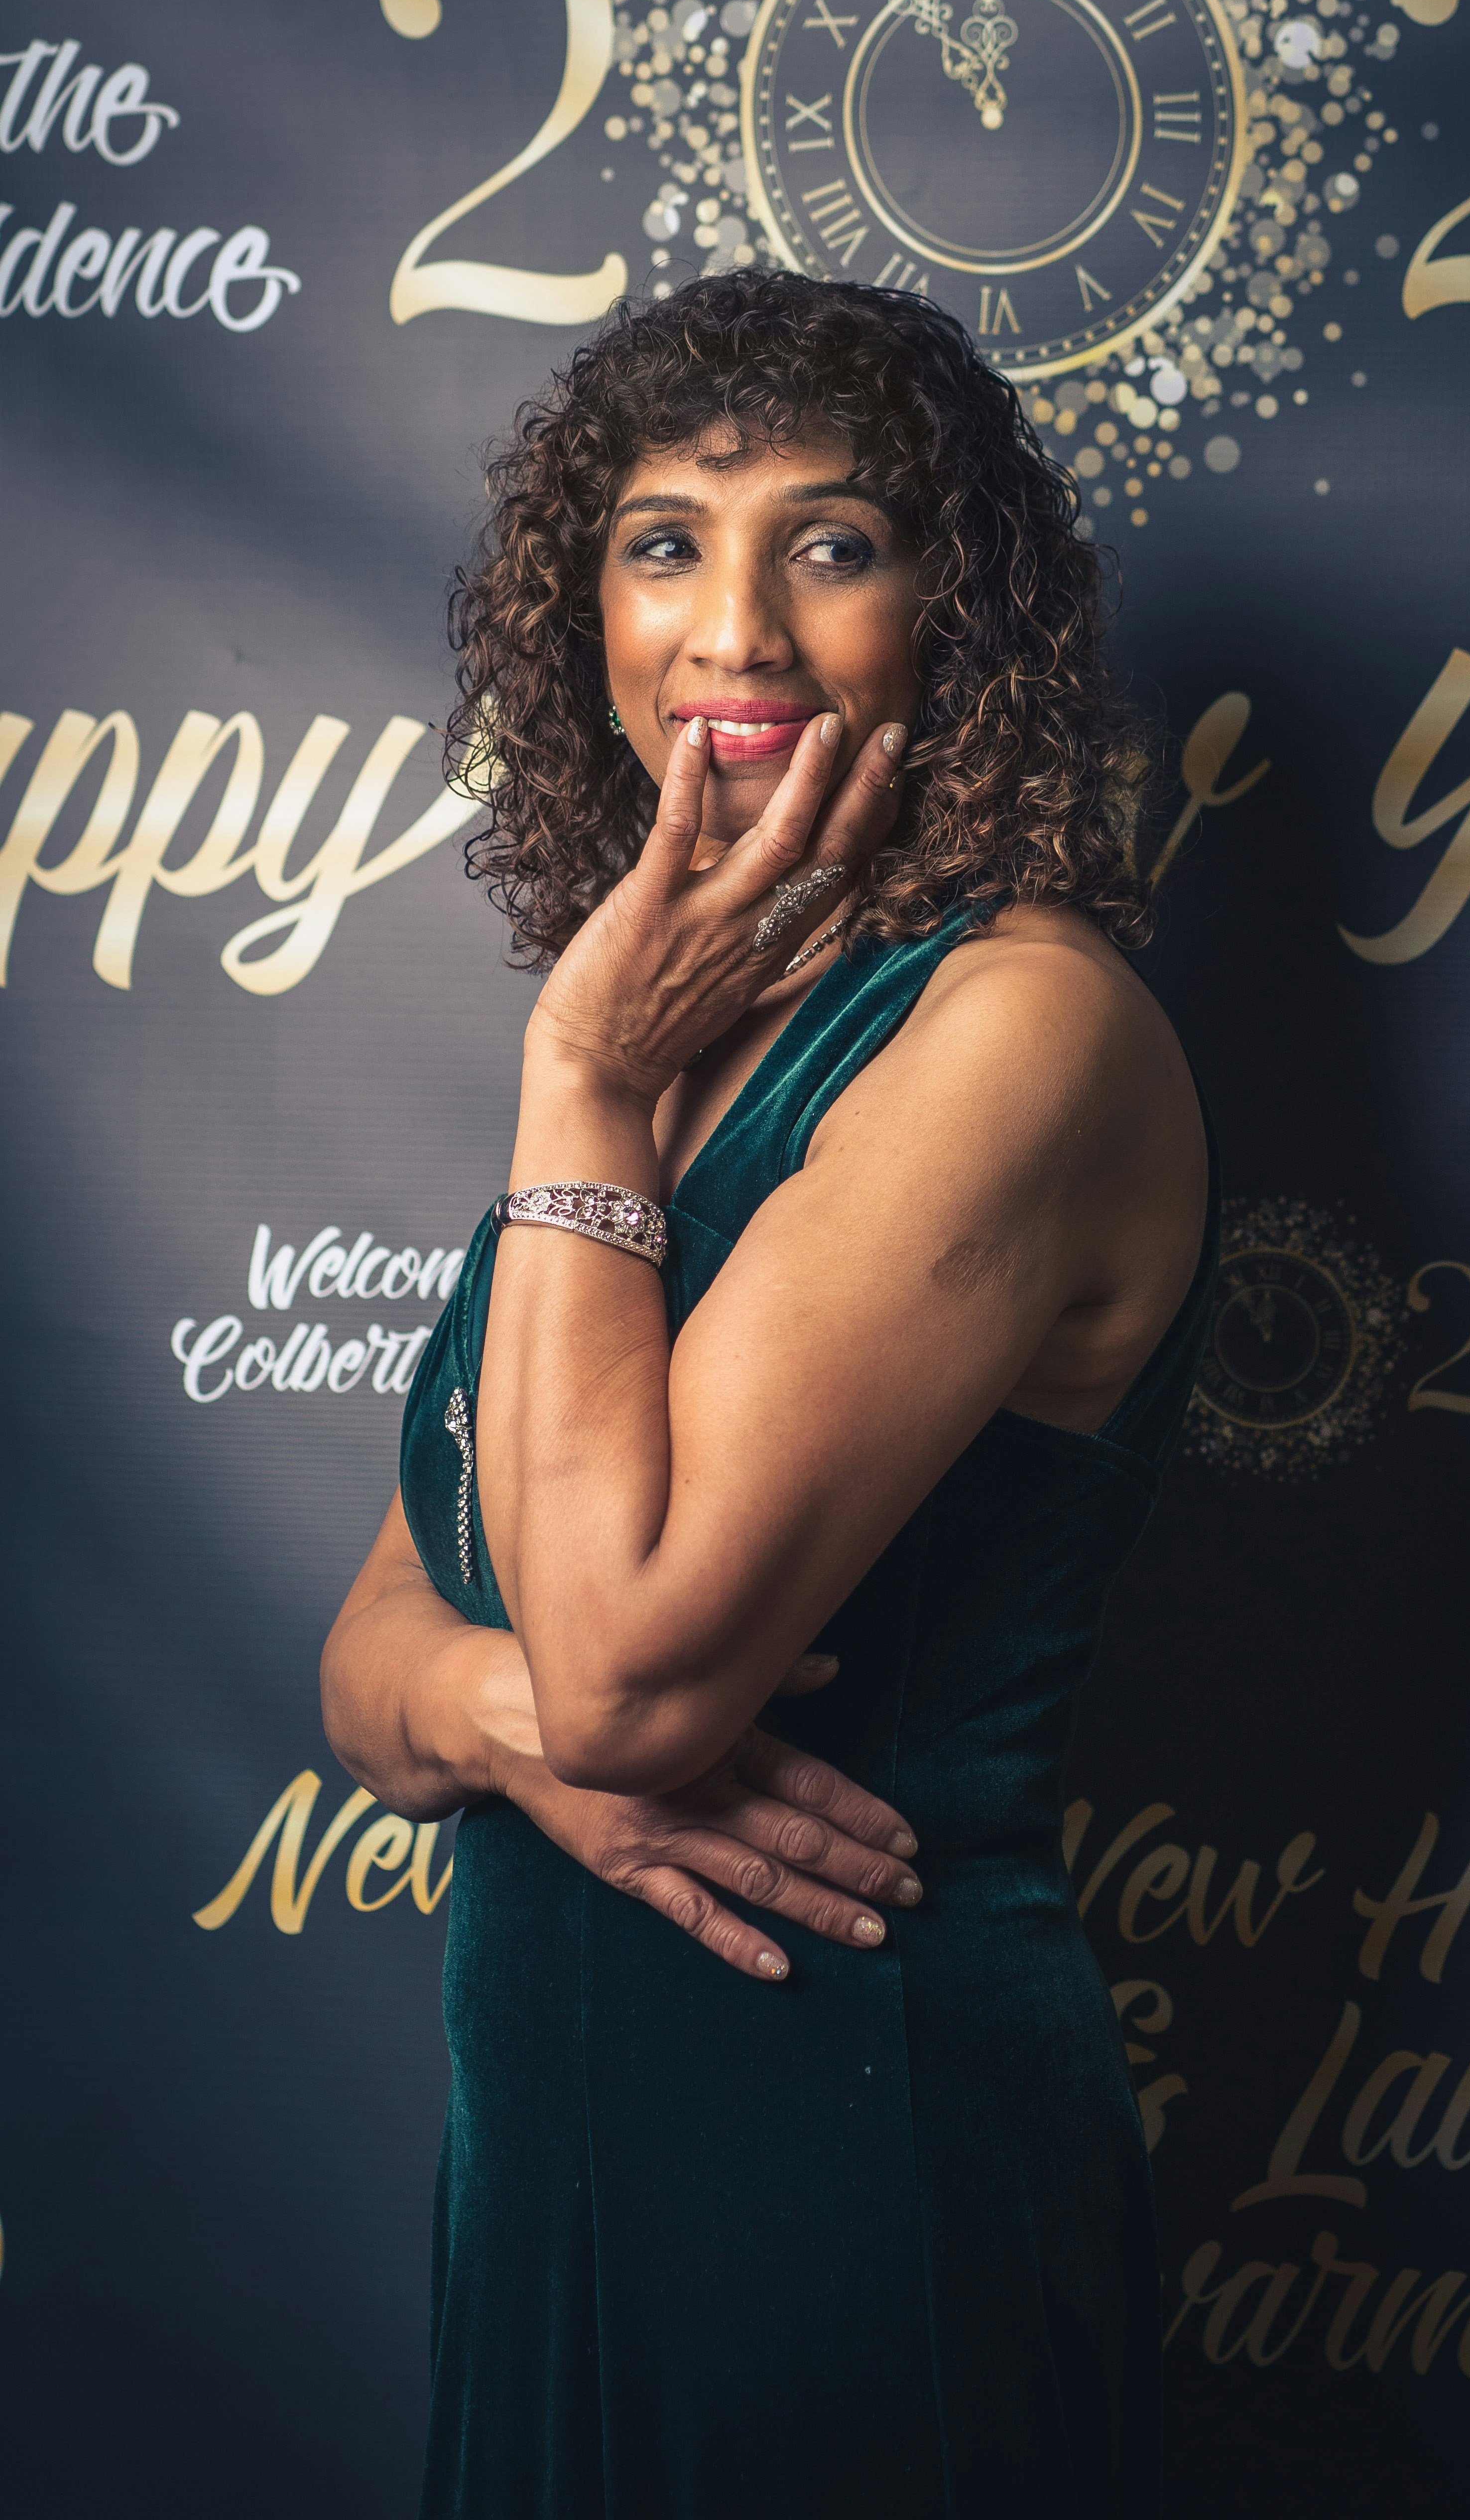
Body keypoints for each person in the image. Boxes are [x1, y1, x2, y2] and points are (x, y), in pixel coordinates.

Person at [322, 268, 1216, 2520]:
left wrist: (572, 1079)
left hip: (846, 2150)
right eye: (663, 545)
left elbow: (626, 1684)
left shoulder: (1012, 1028)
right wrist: (506, 1715)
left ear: (952, 615)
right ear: (585, 616)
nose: (732, 628)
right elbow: (377, 1659)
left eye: (830, 543)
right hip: (553, 2171)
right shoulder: (681, 1029)